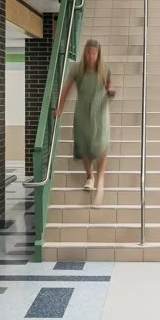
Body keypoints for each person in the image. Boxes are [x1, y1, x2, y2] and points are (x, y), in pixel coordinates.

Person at [54, 38, 114, 207]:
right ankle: (90, 176)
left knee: (101, 145)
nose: (91, 56)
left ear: (98, 54)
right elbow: (66, 89)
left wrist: (110, 90)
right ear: (85, 52)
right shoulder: (76, 70)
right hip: (82, 114)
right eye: (88, 52)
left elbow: (110, 85)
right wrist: (59, 108)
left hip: (100, 114)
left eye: (94, 53)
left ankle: (100, 181)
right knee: (84, 145)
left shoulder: (104, 69)